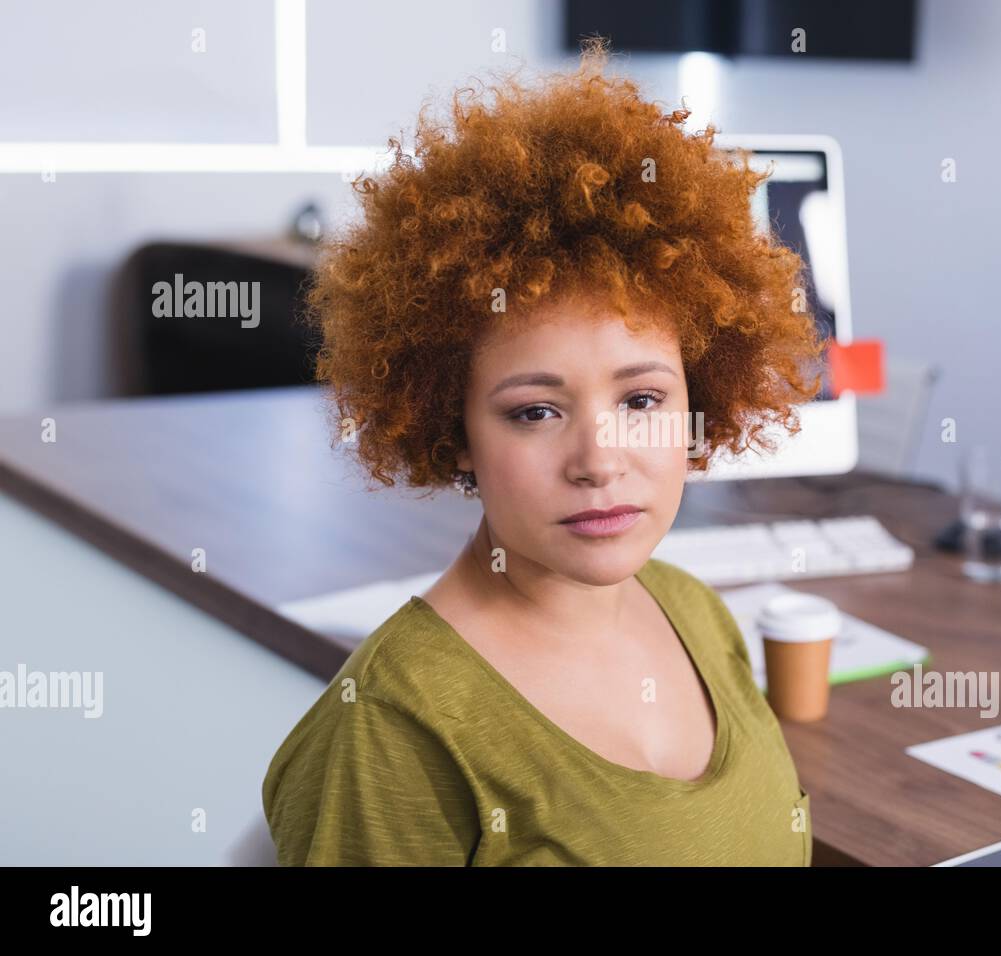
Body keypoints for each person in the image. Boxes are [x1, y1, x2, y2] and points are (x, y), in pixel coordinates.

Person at [262, 37, 824, 866]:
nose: (598, 459)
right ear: (451, 431)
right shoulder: (393, 725)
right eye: (534, 412)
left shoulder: (697, 613)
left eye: (641, 400)